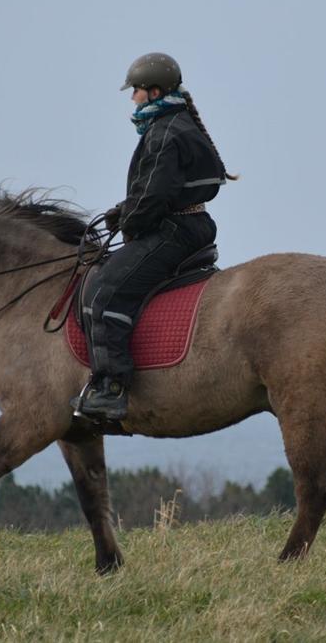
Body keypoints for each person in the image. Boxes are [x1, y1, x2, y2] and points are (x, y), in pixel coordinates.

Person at [71, 52, 237, 422]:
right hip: (190, 222)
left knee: (104, 290)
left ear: (155, 91)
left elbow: (154, 198)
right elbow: (161, 189)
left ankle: (110, 388)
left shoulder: (164, 132)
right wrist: (123, 209)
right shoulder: (178, 125)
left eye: (137, 91)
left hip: (173, 230)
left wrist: (129, 221)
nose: (133, 99)